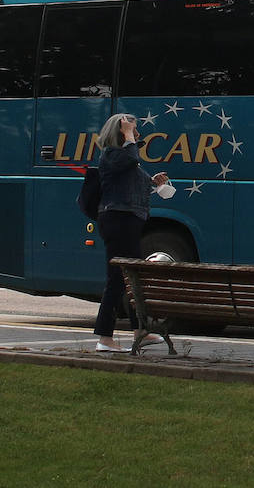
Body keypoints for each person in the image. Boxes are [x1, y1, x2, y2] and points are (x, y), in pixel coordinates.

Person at [92, 113, 170, 353]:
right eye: (132, 130)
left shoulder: (126, 158)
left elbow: (133, 181)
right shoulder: (113, 154)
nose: (136, 135)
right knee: (117, 279)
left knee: (133, 277)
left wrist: (154, 182)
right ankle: (105, 338)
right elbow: (130, 159)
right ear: (120, 133)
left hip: (128, 221)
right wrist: (127, 134)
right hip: (118, 221)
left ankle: (140, 332)